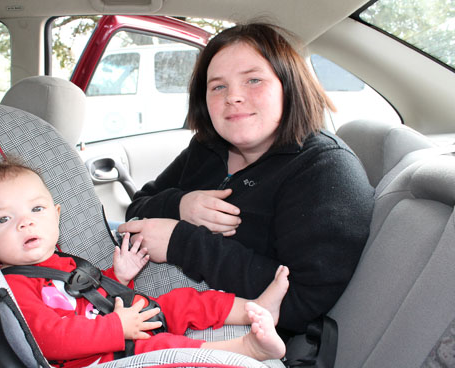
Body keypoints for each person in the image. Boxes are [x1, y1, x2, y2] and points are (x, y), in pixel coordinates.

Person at [119, 22, 375, 337]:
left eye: (253, 80)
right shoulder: (207, 146)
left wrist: (181, 242)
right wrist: (180, 205)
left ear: (288, 86)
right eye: (218, 86)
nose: (234, 97)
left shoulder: (324, 171)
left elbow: (300, 301)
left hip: (242, 336)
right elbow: (136, 209)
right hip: (152, 307)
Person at [0, 160, 290, 368]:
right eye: (4, 218)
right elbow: (50, 339)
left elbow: (88, 297)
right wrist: (117, 327)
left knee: (181, 301)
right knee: (164, 344)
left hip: (120, 321)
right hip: (98, 355)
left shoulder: (61, 261)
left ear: (57, 215)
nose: (25, 223)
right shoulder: (16, 285)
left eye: (36, 210)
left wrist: (118, 277)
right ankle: (248, 349)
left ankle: (255, 307)